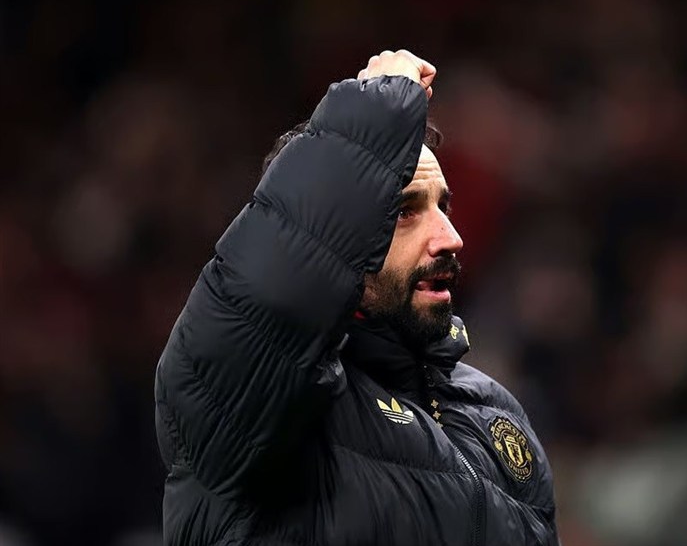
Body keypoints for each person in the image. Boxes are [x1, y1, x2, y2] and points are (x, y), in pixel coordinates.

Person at [155, 49, 560, 546]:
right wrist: (375, 113)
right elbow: (275, 294)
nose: (450, 238)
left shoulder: (495, 412)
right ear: (335, 230)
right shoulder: (246, 392)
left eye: (444, 208)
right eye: (405, 212)